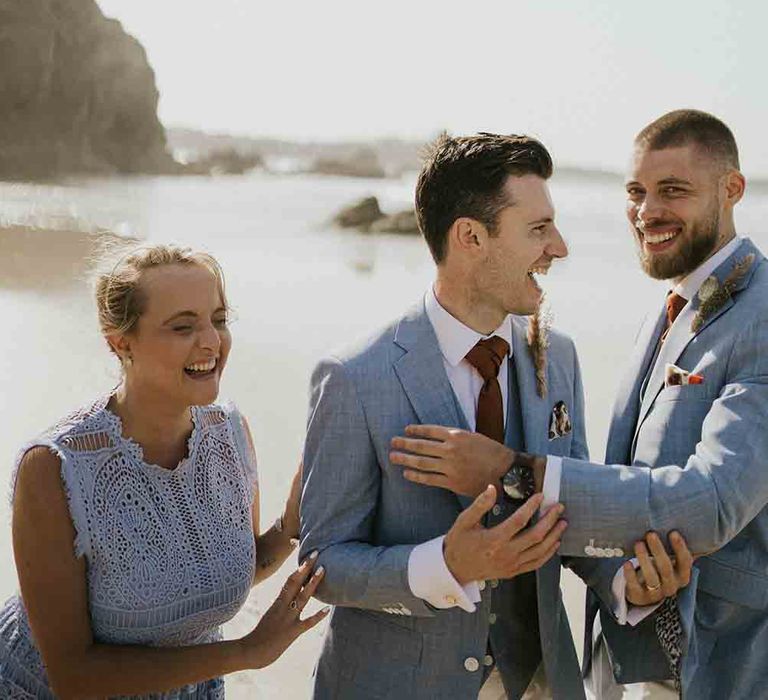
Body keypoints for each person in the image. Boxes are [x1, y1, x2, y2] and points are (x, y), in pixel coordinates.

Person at [390, 110, 765, 699]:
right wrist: (625, 586)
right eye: (636, 192)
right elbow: (618, 479)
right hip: (636, 655)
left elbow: (713, 503)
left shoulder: (762, 316)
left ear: (732, 189)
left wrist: (509, 470)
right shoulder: (667, 310)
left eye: (674, 191)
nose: (647, 212)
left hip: (730, 662)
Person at [299, 133, 685, 700]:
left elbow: (570, 512)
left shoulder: (560, 356)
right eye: (538, 230)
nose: (559, 247)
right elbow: (322, 565)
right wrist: (443, 565)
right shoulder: (356, 377)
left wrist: (635, 585)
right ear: (471, 237)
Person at [0, 245, 328, 698]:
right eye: (183, 327)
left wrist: (290, 526)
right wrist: (246, 652)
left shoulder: (229, 431)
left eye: (218, 319)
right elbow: (74, 675)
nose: (211, 341)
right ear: (120, 342)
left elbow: (207, 572)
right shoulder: (55, 468)